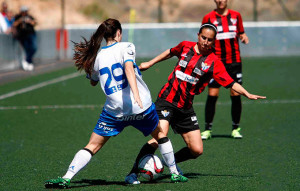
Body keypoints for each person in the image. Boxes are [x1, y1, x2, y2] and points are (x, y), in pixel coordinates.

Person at [44, 18, 187, 189]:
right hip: (139, 106)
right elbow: (128, 68)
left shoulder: (96, 57)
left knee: (93, 145)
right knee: (160, 135)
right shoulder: (127, 46)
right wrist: (135, 93)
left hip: (114, 111)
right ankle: (175, 173)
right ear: (118, 33)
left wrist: (94, 74)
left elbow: (93, 81)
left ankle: (66, 178)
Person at [125, 23, 265, 183]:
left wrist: (246, 93)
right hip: (166, 101)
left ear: (214, 41)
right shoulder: (185, 47)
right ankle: (132, 173)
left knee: (196, 150)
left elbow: (231, 82)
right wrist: (150, 63)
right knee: (158, 138)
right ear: (198, 35)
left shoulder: (214, 62)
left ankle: (165, 162)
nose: (205, 42)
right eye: (203, 37)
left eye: (210, 40)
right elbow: (170, 52)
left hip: (185, 107)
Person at [201, 0, 250, 140]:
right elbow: (203, 36)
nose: (221, 0)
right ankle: (207, 129)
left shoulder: (236, 16)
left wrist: (243, 36)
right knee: (213, 93)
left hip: (234, 62)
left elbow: (241, 32)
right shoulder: (208, 17)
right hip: (215, 62)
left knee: (235, 93)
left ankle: (236, 128)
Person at [13, 6, 37, 71]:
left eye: (25, 11)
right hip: (23, 36)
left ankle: (27, 60)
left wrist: (29, 21)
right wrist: (20, 21)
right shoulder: (18, 17)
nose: (24, 13)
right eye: (23, 11)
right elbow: (14, 24)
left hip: (31, 34)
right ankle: (29, 62)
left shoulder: (29, 16)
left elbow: (34, 22)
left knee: (34, 48)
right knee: (27, 49)